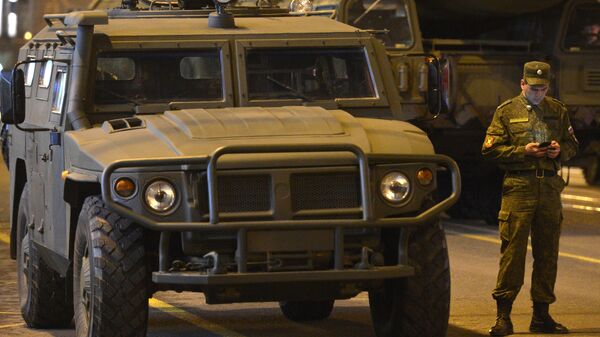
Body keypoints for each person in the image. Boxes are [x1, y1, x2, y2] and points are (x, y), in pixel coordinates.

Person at [481, 61, 579, 336]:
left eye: (543, 88)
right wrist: (523, 151)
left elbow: (573, 145)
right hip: (519, 187)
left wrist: (559, 151)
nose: (538, 92)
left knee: (547, 253)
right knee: (513, 253)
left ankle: (541, 315)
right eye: (533, 87)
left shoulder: (557, 110)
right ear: (522, 84)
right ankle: (504, 316)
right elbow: (490, 149)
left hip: (548, 187)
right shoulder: (506, 111)